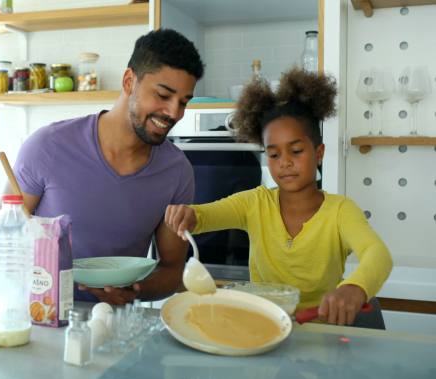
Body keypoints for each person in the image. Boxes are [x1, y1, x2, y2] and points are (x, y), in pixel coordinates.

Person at [164, 68, 393, 328]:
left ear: (318, 153)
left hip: (322, 336)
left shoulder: (340, 211)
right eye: (273, 155)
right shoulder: (255, 203)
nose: (284, 162)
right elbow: (205, 216)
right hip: (263, 328)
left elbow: (378, 253)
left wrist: (355, 288)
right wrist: (188, 215)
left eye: (295, 151)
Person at [11, 29, 205, 305]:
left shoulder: (177, 171)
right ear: (129, 81)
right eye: (163, 95)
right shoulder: (47, 146)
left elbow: (172, 270)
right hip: (39, 317)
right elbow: (4, 243)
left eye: (183, 102)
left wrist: (135, 290)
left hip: (115, 327)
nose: (174, 113)